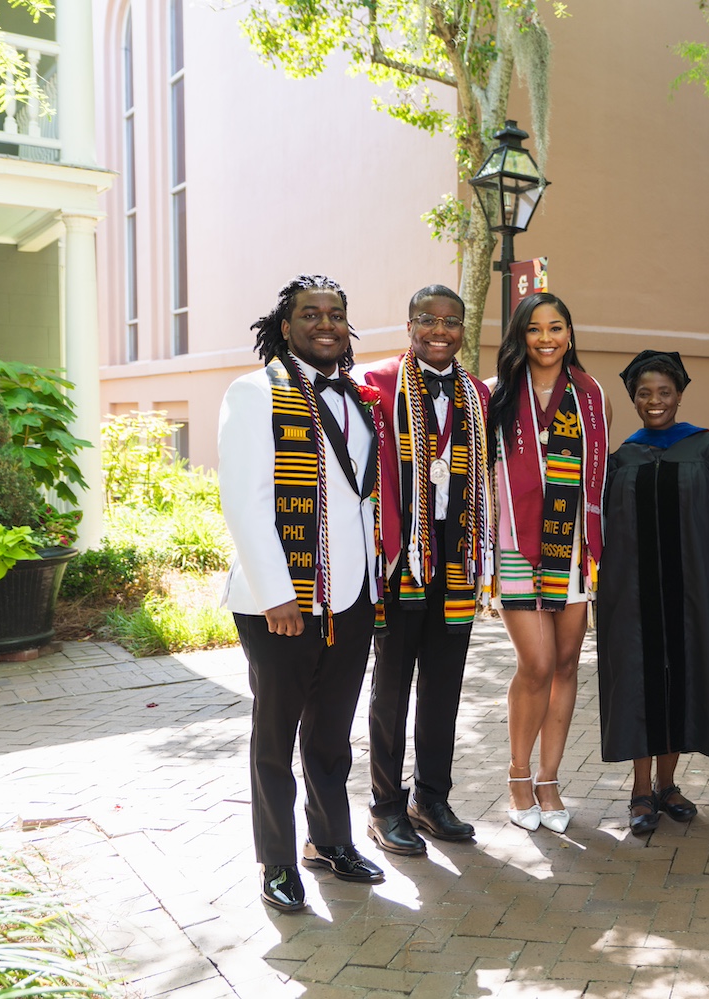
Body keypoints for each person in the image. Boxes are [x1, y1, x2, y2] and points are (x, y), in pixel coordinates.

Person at [218, 274, 384, 912]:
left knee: (332, 734)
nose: (325, 324)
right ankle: (278, 862)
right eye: (309, 314)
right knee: (275, 735)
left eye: (335, 315)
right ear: (284, 327)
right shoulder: (254, 392)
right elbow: (246, 500)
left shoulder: (355, 398)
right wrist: (277, 593)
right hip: (281, 601)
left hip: (350, 597)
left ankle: (330, 842)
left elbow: (361, 499)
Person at [360, 284, 492, 855]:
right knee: (392, 681)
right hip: (402, 547)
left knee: (445, 679)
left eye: (451, 322)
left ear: (464, 329)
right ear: (409, 324)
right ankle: (385, 806)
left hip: (456, 550)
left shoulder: (476, 395)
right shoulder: (380, 383)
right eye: (427, 320)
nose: (440, 331)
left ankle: (431, 797)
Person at [597, 350, 709, 835]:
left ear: (679, 394)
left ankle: (667, 784)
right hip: (633, 594)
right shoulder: (621, 459)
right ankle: (640, 790)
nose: (654, 402)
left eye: (664, 392)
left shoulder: (706, 450)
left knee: (681, 677)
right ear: (633, 399)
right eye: (644, 393)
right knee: (639, 679)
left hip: (692, 590)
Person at [489, 292, 611, 834]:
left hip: (574, 549)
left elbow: (598, 476)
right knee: (535, 665)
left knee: (565, 665)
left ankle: (550, 778)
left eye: (555, 327)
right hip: (515, 545)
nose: (545, 338)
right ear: (521, 335)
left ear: (569, 333)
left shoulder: (590, 395)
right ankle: (518, 777)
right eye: (534, 329)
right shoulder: (496, 396)